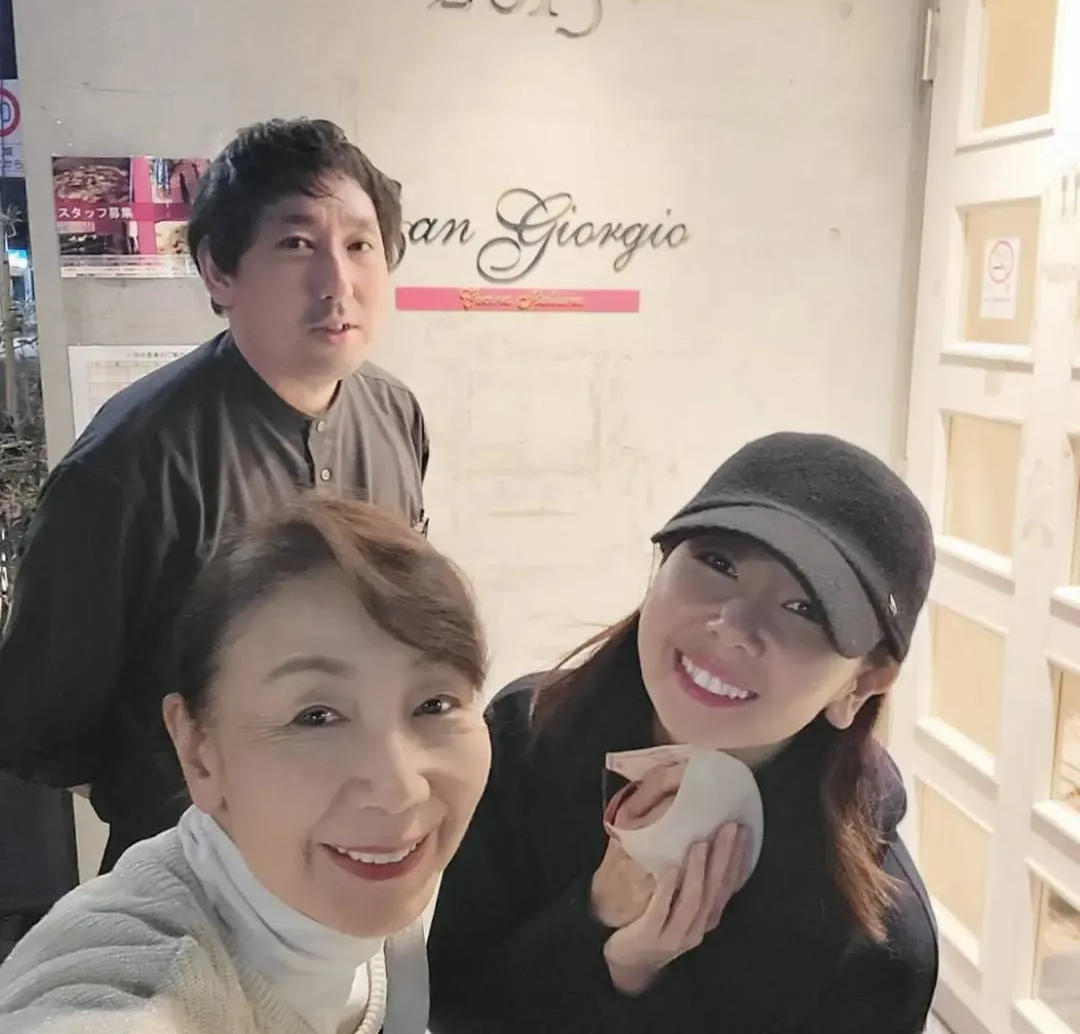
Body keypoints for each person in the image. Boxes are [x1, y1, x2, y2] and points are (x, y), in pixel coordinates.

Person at [0, 118, 430, 871]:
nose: (338, 281)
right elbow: (37, 716)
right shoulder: (130, 462)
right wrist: (168, 791)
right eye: (296, 244)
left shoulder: (395, 415)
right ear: (219, 272)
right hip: (194, 867)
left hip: (361, 845)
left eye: (361, 245)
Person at [428, 431, 940, 1034]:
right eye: (719, 563)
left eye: (805, 609)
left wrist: (640, 982)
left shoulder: (878, 942)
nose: (733, 627)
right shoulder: (523, 738)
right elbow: (445, 1003)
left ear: (863, 682)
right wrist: (595, 932)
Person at [0, 496, 491, 1034]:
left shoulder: (378, 880)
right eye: (316, 717)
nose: (400, 789)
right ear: (198, 752)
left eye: (434, 704)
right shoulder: (133, 983)